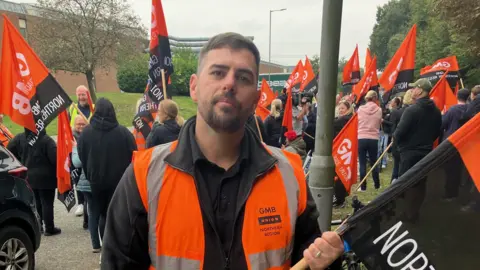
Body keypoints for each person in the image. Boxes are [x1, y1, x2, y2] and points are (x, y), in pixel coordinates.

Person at [101, 32, 343, 270]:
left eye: (244, 78)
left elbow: (311, 259)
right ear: (194, 87)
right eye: (218, 73)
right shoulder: (144, 176)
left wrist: (329, 263)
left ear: (256, 99)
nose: (229, 83)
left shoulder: (290, 175)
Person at [78, 98, 137, 247]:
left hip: (96, 181)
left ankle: (107, 246)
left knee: (103, 214)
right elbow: (134, 155)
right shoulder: (123, 133)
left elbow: (82, 155)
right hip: (119, 180)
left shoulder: (86, 134)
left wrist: (90, 173)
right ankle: (121, 245)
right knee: (120, 213)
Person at [7, 129, 61, 236]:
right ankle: (49, 228)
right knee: (47, 203)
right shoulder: (47, 140)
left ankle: (38, 226)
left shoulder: (19, 138)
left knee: (35, 203)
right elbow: (55, 159)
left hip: (28, 176)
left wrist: (20, 161)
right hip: (46, 177)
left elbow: (9, 150)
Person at [394, 78, 442, 177]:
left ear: (420, 91)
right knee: (420, 186)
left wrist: (401, 146)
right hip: (426, 154)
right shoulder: (437, 111)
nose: (412, 90)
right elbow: (437, 132)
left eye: (414, 88)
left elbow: (399, 132)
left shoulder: (411, 110)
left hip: (409, 154)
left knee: (405, 187)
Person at [71, 117, 101, 252]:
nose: (81, 126)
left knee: (93, 212)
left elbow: (77, 162)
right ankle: (103, 242)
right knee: (102, 212)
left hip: (85, 180)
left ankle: (96, 244)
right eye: (79, 124)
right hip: (97, 180)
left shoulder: (82, 140)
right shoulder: (99, 137)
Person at [441, 88, 470, 200]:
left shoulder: (452, 110)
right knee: (459, 168)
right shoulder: (470, 110)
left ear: (457, 96)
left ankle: (449, 193)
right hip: (465, 143)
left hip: (451, 143)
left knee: (450, 169)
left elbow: (442, 124)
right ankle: (457, 189)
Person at [357, 90, 382, 191]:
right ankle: (377, 184)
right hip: (373, 138)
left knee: (362, 163)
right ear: (375, 98)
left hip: (361, 137)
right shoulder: (379, 110)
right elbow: (379, 122)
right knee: (373, 162)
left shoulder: (360, 109)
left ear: (366, 98)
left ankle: (363, 187)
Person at [332, 100, 353, 207]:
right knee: (338, 174)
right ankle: (339, 197)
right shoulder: (343, 119)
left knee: (339, 174)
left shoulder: (345, 119)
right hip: (341, 150)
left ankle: (340, 199)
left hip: (342, 150)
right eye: (339, 108)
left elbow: (332, 124)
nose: (340, 110)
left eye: (342, 108)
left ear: (348, 109)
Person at [71, 116, 89, 226]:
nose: (81, 126)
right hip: (75, 165)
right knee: (77, 184)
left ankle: (84, 207)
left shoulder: (88, 135)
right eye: (79, 124)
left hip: (85, 165)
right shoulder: (71, 135)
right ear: (74, 125)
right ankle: (80, 204)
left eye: (83, 124)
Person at [388, 97, 404, 183]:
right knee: (397, 163)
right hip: (396, 137)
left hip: (396, 137)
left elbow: (392, 124)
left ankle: (394, 181)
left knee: (397, 163)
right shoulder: (395, 111)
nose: (390, 102)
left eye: (392, 101)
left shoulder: (396, 112)